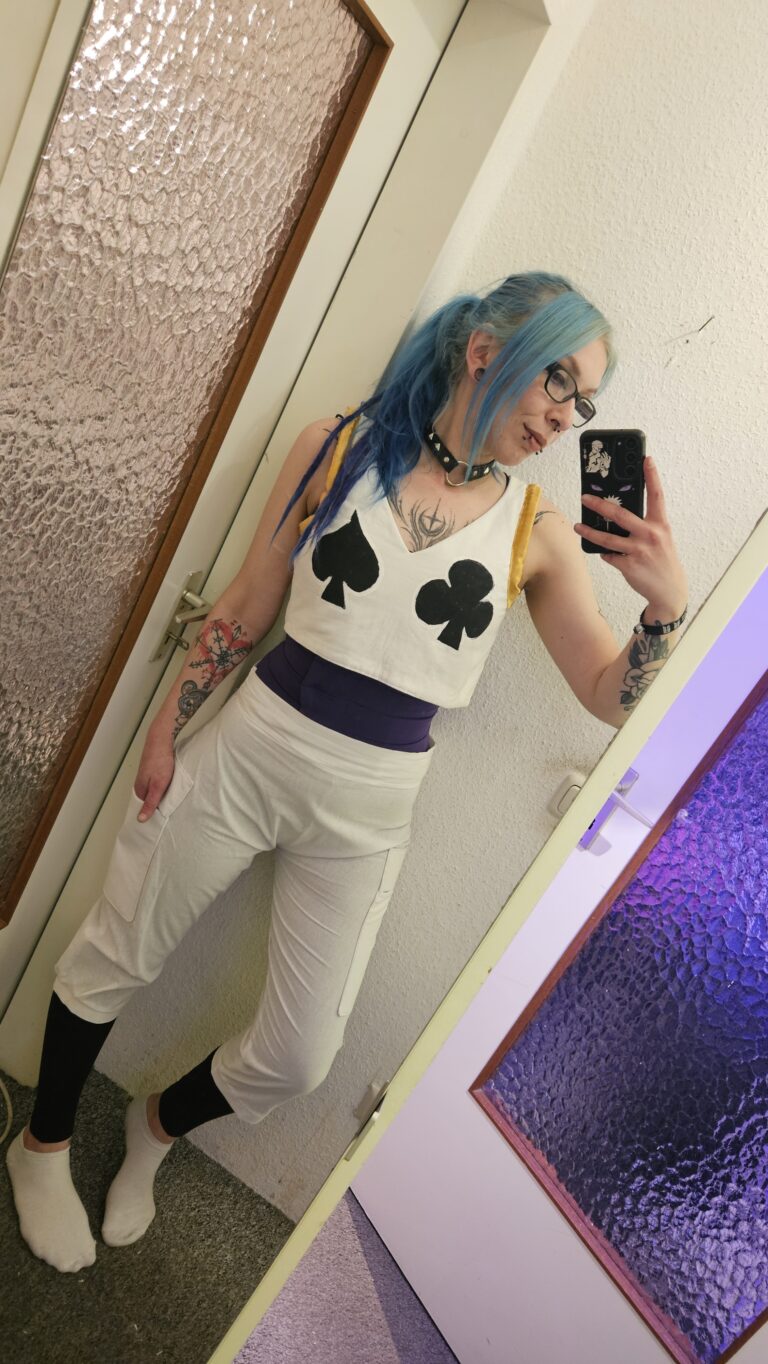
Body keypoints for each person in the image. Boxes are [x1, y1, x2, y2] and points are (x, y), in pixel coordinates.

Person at [6, 271, 687, 1273]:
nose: (564, 414)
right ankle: (42, 1144)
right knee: (116, 948)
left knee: (299, 1054)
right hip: (255, 745)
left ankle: (154, 1125)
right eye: (558, 379)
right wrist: (164, 729)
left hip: (372, 803)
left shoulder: (538, 528)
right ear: (485, 350)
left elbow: (604, 691)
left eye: (584, 402)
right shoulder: (339, 447)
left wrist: (663, 609)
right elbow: (249, 600)